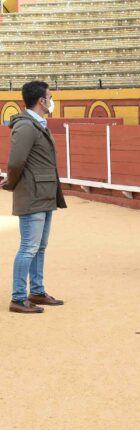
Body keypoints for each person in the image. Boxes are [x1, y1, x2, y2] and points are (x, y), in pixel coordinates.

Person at [2, 81, 67, 313]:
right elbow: (16, 161)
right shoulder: (27, 126)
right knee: (29, 246)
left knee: (39, 246)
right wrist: (11, 181)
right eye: (49, 96)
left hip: (43, 193)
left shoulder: (35, 124)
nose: (51, 100)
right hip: (32, 194)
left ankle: (37, 291)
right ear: (41, 101)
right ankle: (18, 298)